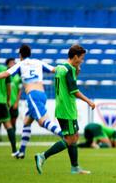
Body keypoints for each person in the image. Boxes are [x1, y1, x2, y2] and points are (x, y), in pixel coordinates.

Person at [0, 44, 62, 159]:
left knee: (42, 121)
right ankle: (21, 151)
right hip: (42, 95)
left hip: (32, 95)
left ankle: (64, 135)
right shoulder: (38, 62)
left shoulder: (21, 64)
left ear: (20, 55)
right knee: (27, 122)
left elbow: (6, 74)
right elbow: (55, 69)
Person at [34, 44, 95, 174]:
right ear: (75, 56)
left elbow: (67, 84)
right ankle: (43, 156)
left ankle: (75, 167)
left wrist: (76, 71)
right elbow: (74, 90)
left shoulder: (60, 67)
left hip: (63, 107)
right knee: (69, 139)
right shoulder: (68, 69)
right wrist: (88, 101)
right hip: (67, 108)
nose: (82, 61)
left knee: (75, 136)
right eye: (81, 58)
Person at [0, 58, 22, 148]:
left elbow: (20, 90)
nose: (13, 64)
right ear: (7, 65)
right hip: (4, 102)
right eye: (11, 63)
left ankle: (13, 141)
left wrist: (16, 102)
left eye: (14, 63)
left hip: (13, 103)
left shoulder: (17, 77)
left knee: (13, 122)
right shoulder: (4, 76)